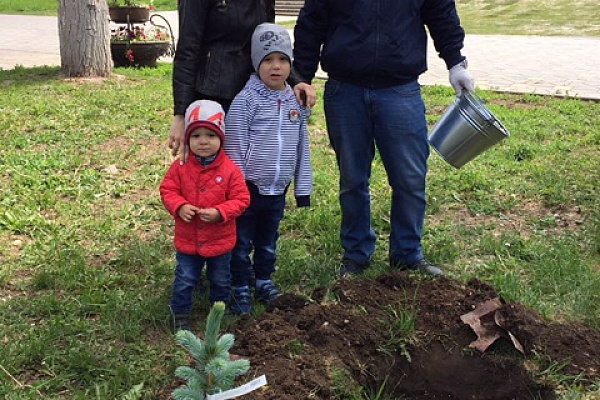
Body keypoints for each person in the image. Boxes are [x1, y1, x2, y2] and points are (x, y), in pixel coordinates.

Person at [293, 0, 475, 278]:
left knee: (410, 178)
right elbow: (311, 22)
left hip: (401, 89)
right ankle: (356, 254)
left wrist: (456, 63)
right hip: (345, 89)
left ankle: (407, 253)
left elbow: (441, 13)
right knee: (353, 179)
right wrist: (301, 76)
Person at [224, 23, 314, 315]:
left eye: (283, 60)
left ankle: (263, 279)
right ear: (256, 63)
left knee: (268, 241)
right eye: (268, 60)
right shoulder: (245, 101)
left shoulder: (295, 102)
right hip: (247, 188)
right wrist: (235, 189)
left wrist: (302, 188)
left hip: (278, 187)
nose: (276, 67)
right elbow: (235, 145)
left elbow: (302, 145)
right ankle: (238, 285)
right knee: (241, 241)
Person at [169, 0, 317, 163]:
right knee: (210, 175)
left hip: (257, 97)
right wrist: (181, 114)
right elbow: (188, 49)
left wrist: (295, 81)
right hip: (213, 98)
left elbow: (268, 45)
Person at [160, 100, 251, 330]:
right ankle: (179, 314)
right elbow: (167, 190)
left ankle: (218, 314)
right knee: (185, 278)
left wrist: (221, 212)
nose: (203, 141)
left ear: (221, 138)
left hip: (220, 241)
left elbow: (242, 199)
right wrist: (179, 206)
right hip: (188, 239)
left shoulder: (230, 169)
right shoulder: (180, 167)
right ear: (187, 140)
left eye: (210, 135)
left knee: (221, 280)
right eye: (196, 135)